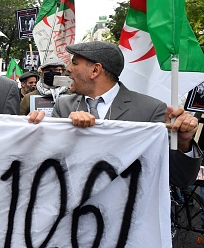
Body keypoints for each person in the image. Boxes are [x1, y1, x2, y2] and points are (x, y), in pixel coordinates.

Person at [48, 41, 202, 186]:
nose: (67, 68)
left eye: (74, 63)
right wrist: (44, 127)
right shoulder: (64, 106)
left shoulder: (151, 110)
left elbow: (180, 178)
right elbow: (48, 164)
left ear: (95, 70)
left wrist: (183, 143)